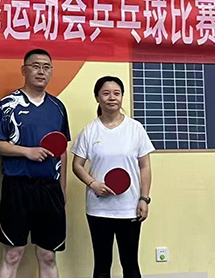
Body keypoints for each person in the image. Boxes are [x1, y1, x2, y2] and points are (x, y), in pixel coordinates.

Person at [0, 49, 70, 278]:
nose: (41, 71)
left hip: (50, 190)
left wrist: (62, 190)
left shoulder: (57, 107)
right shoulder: (8, 104)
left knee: (48, 255)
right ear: (23, 70)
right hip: (17, 187)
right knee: (13, 254)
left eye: (46, 67)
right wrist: (27, 152)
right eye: (35, 66)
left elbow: (62, 152)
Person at [71, 76, 154, 278]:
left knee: (130, 265)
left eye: (116, 93)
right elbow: (77, 165)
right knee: (102, 266)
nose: (112, 98)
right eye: (106, 93)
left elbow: (145, 166)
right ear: (97, 98)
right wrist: (93, 184)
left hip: (129, 208)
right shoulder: (90, 131)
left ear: (122, 97)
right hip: (98, 209)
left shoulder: (135, 128)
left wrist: (144, 199)